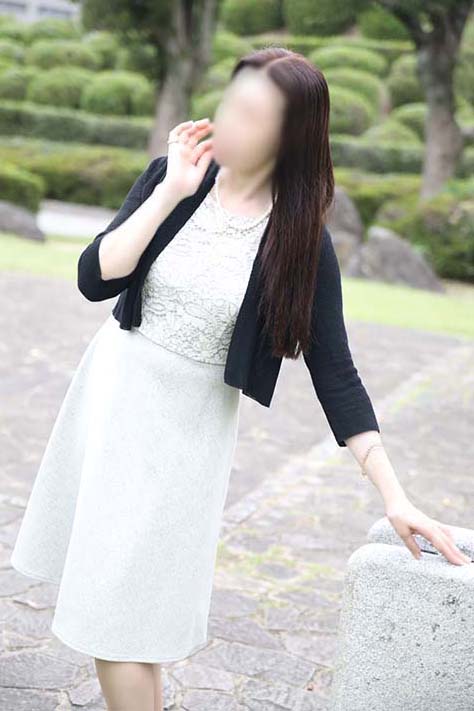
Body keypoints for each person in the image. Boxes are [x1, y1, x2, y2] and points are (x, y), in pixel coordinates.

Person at [10, 46, 470, 711]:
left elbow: (336, 372)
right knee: (120, 623)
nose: (228, 119)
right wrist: (169, 190)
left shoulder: (300, 241)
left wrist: (394, 497)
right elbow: (94, 278)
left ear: (289, 136)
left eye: (251, 113)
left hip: (186, 442)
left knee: (122, 624)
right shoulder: (174, 179)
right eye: (230, 102)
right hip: (111, 403)